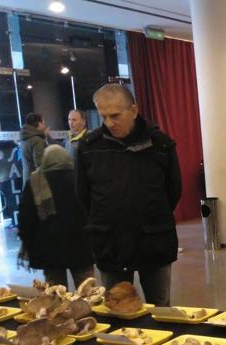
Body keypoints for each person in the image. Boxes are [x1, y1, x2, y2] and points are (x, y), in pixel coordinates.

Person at [77, 84, 181, 305]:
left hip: (154, 241)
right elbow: (84, 195)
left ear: (134, 111)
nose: (109, 123)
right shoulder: (88, 147)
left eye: (115, 116)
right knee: (116, 310)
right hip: (110, 243)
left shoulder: (161, 145)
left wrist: (150, 216)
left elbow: (173, 192)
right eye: (103, 116)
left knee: (160, 309)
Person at [18, 145, 93, 289]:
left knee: (55, 295)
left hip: (50, 250)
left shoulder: (34, 182)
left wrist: (29, 244)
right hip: (81, 245)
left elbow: (26, 219)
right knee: (87, 292)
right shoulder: (80, 178)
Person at [20, 113, 50, 184]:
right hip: (36, 184)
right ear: (39, 124)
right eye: (43, 123)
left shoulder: (24, 138)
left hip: (27, 179)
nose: (45, 126)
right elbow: (39, 165)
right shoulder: (37, 140)